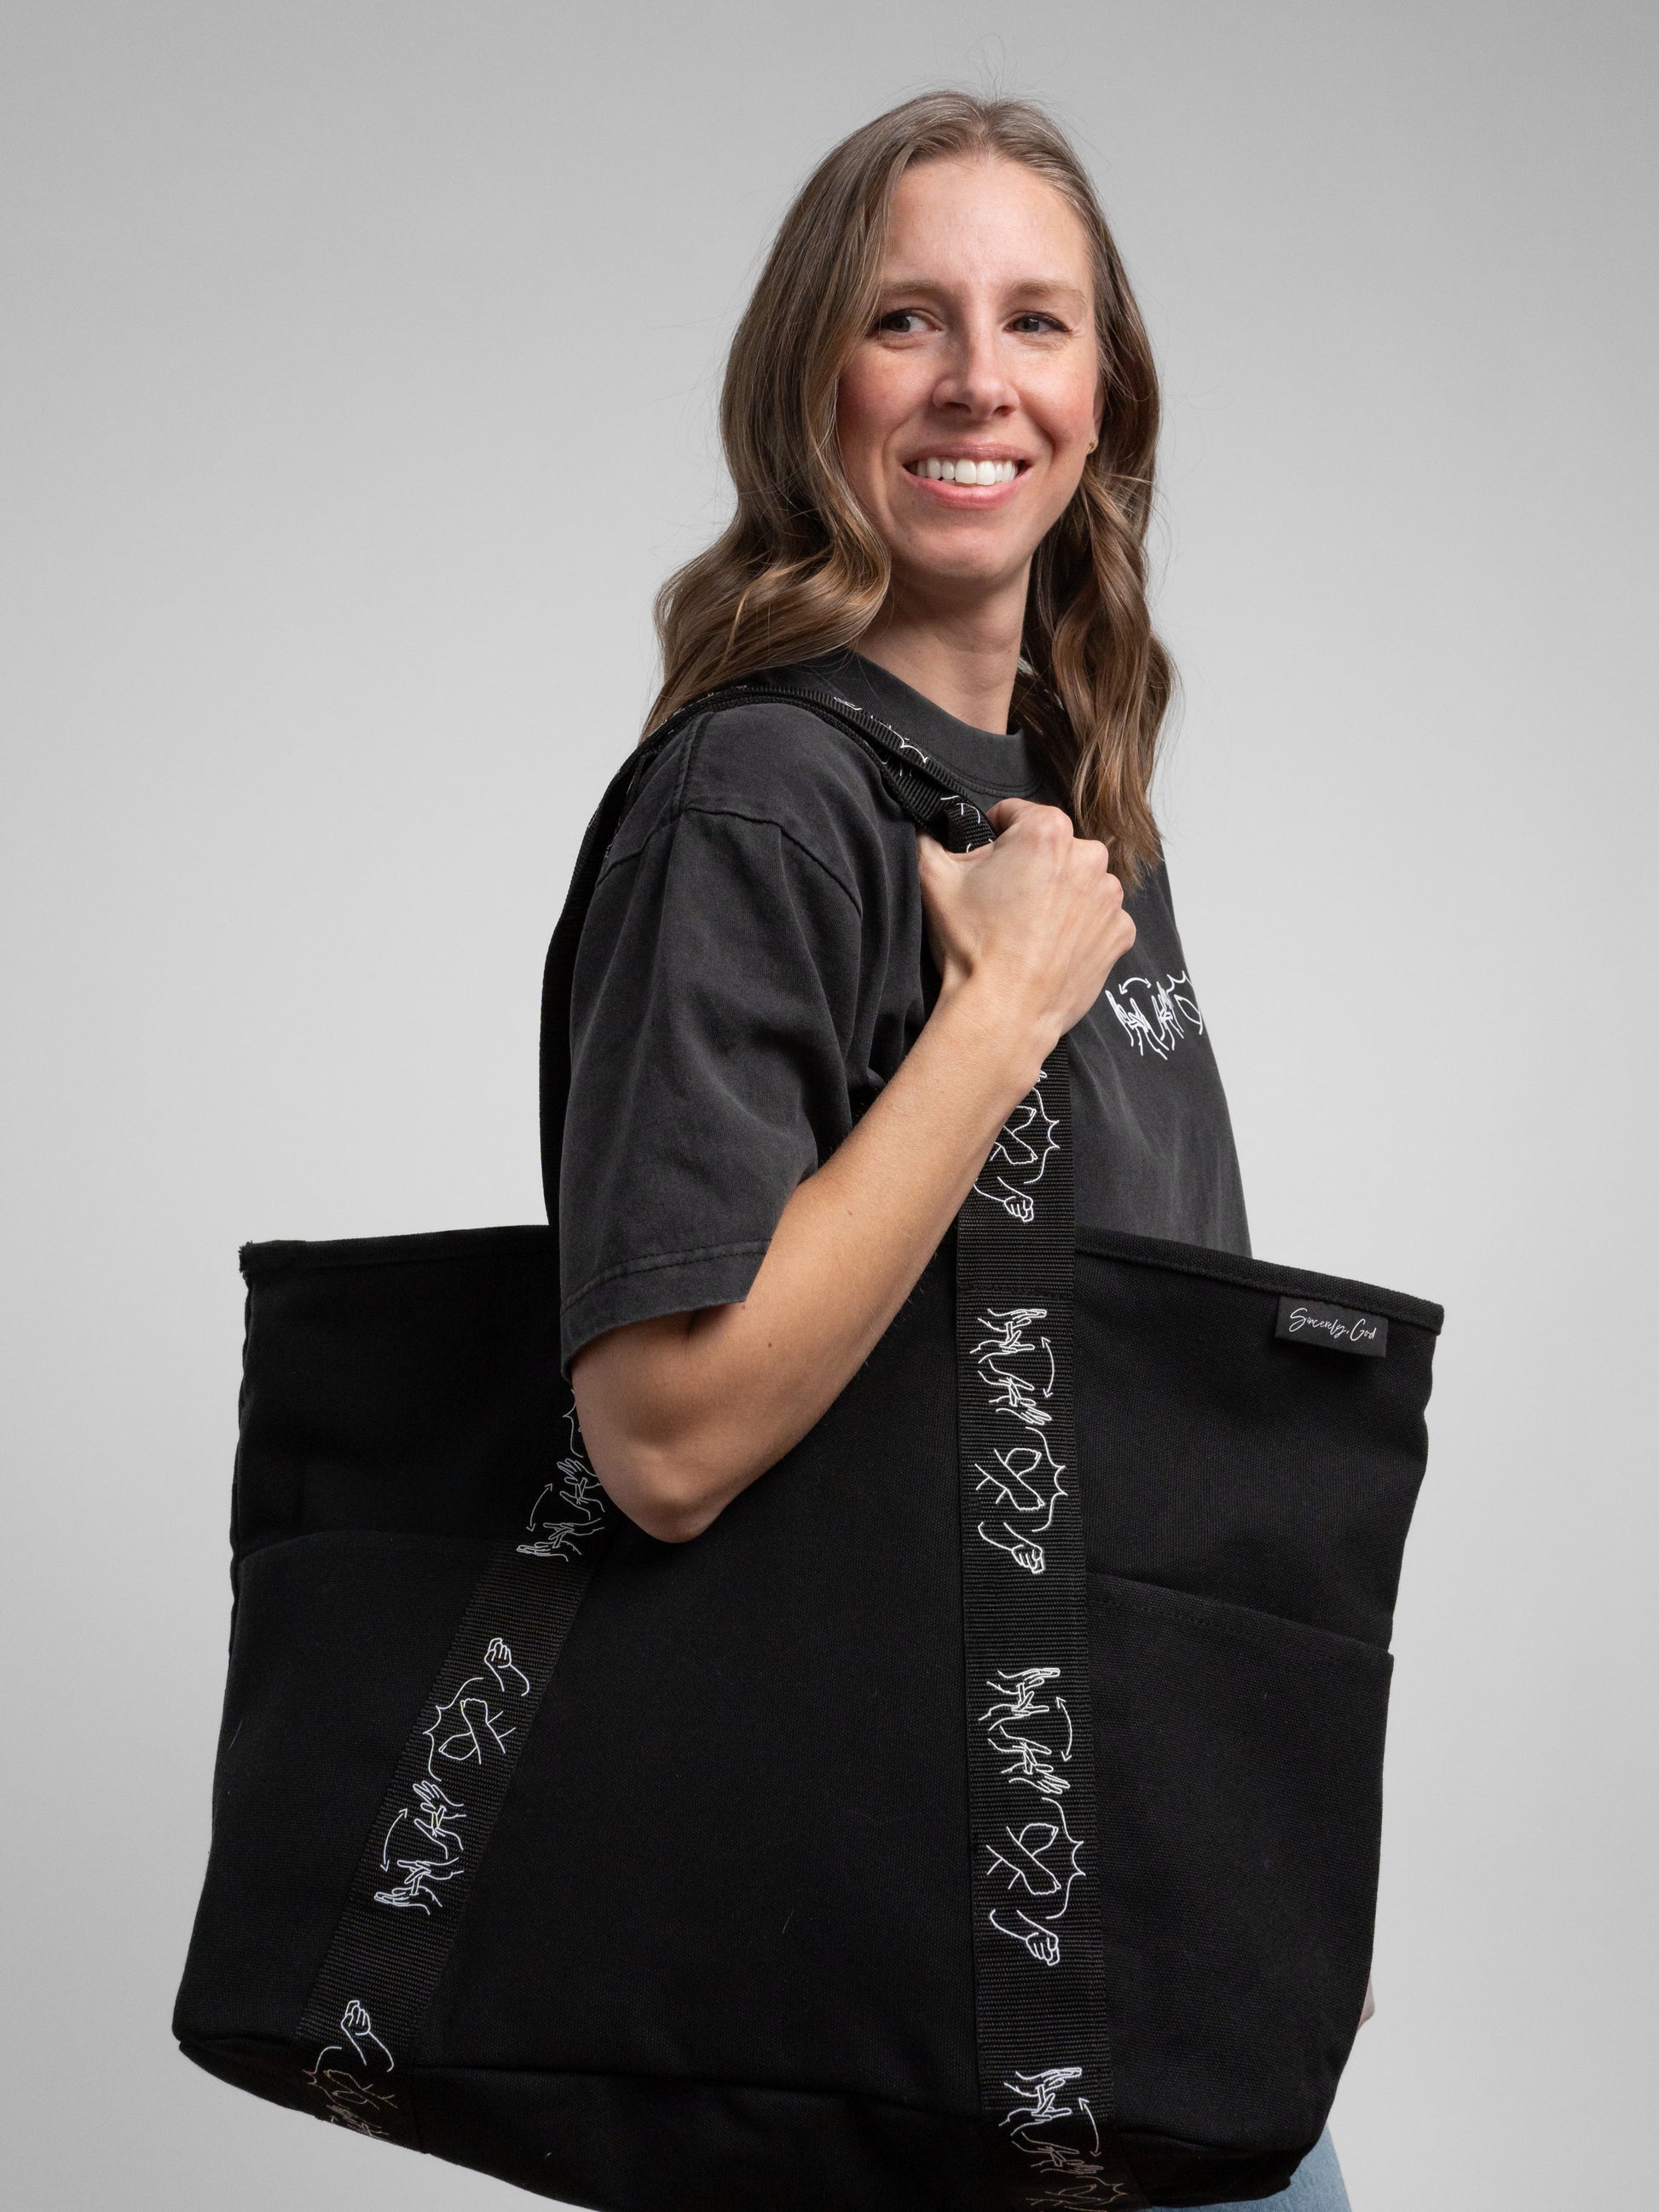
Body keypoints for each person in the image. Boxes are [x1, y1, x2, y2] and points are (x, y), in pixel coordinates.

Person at [560, 91, 1352, 2212]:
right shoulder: (759, 800)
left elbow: (1139, 1409)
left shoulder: (1070, 827)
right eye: (905, 317)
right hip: (893, 1985)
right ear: (809, 379)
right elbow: (662, 1434)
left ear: (1105, 397)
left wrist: (1251, 1840)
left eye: (1037, 320)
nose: (980, 379)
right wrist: (995, 1015)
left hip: (1124, 1930)